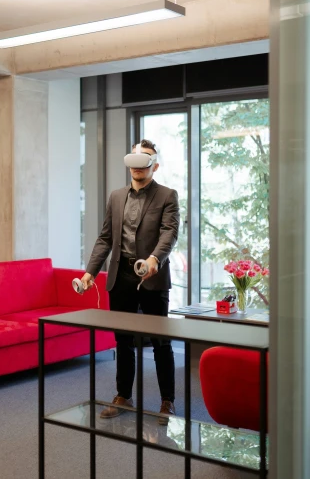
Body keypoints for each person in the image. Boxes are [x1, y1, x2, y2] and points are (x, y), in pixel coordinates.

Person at [80, 139, 180, 424]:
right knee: (123, 340)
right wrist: (90, 272)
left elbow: (169, 233)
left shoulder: (167, 195)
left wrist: (154, 260)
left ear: (155, 165)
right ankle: (123, 395)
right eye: (135, 158)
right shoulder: (116, 196)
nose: (138, 164)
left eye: (145, 158)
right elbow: (105, 238)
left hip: (152, 275)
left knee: (161, 342)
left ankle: (167, 401)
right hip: (120, 276)